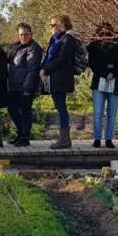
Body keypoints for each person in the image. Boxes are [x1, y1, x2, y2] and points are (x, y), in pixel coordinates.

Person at [87, 22, 118, 149]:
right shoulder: (94, 45)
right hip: (99, 82)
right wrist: (104, 73)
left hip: (115, 82)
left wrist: (114, 73)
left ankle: (108, 139)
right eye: (103, 32)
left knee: (112, 113)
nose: (105, 34)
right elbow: (92, 63)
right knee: (98, 112)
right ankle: (96, 138)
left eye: (108, 32)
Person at [42, 15, 80, 149]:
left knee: (61, 107)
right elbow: (48, 56)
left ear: (61, 25)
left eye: (53, 25)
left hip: (62, 78)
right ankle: (64, 138)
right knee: (59, 106)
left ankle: (64, 138)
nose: (51, 28)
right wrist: (43, 69)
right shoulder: (54, 39)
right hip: (53, 77)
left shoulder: (68, 39)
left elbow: (62, 59)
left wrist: (45, 69)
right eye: (50, 25)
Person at [6, 23, 43, 146]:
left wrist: (27, 88)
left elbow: (32, 69)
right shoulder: (16, 47)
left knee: (25, 111)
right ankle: (20, 133)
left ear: (31, 34)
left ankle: (25, 137)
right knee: (12, 109)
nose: (23, 37)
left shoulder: (33, 48)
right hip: (14, 85)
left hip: (25, 86)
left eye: (26, 34)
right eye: (21, 34)